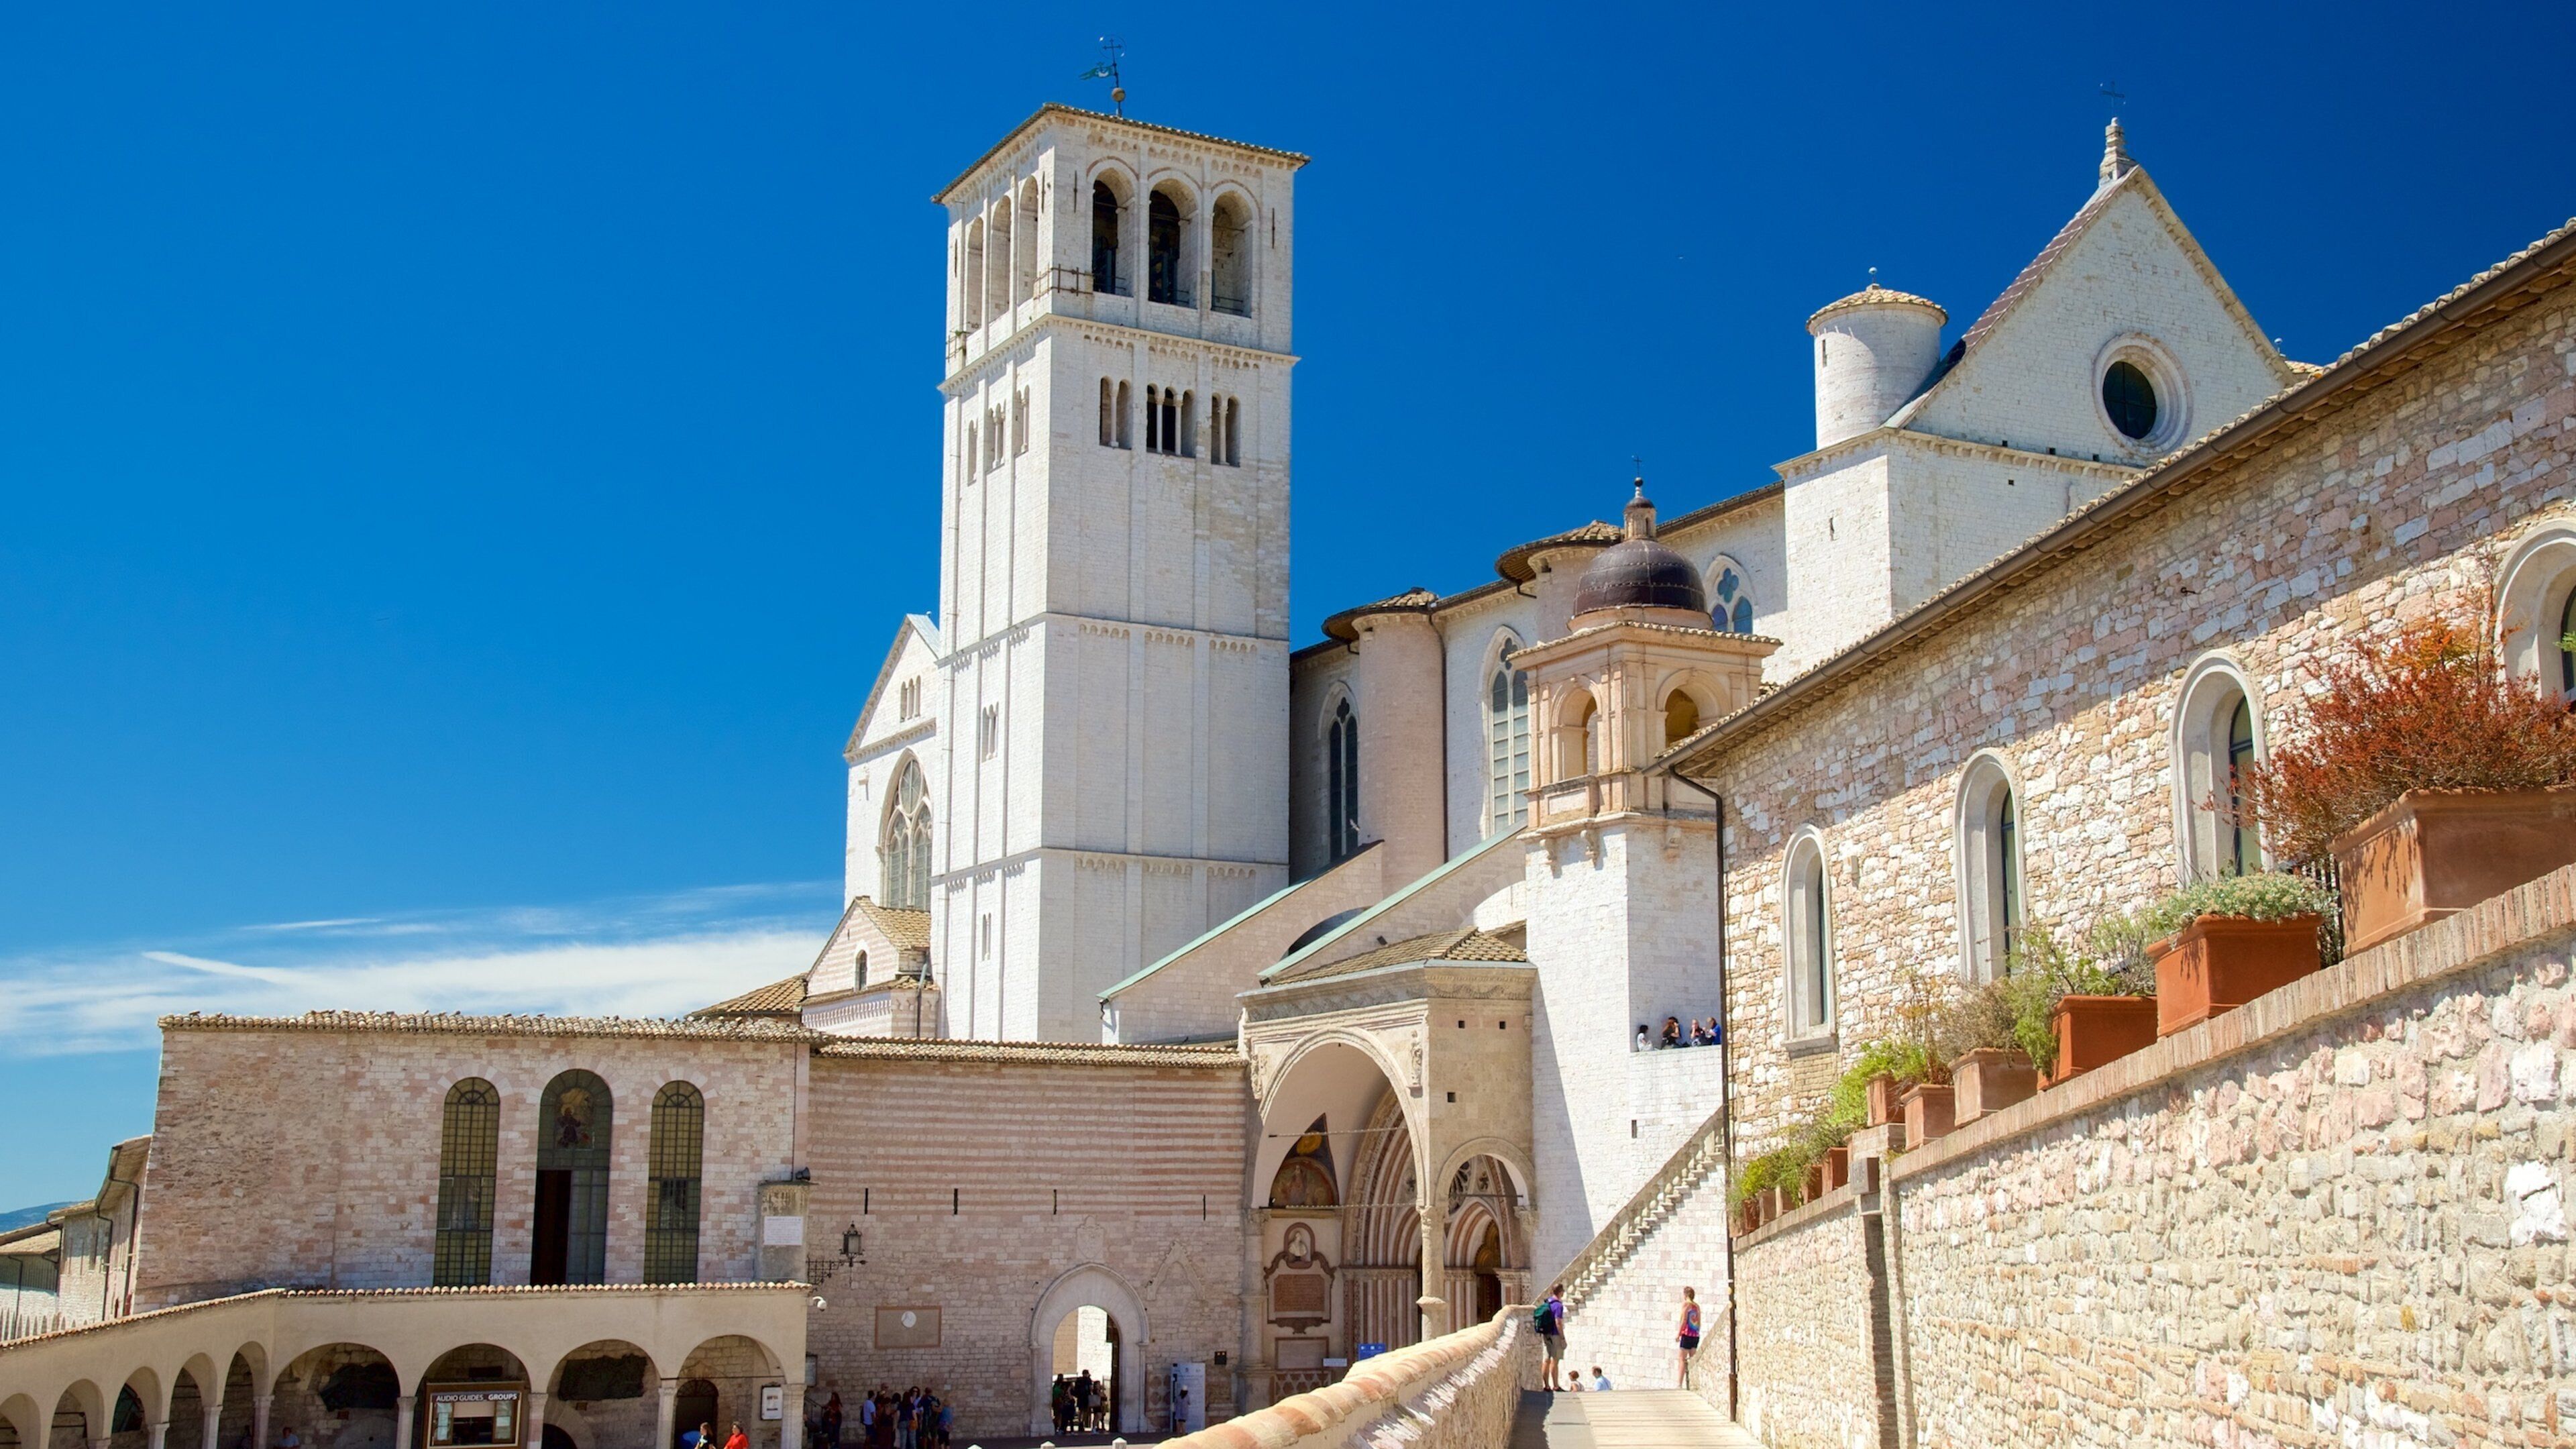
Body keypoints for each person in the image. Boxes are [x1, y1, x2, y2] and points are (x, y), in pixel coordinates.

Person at [1534, 1283, 1567, 1391]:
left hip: (1546, 1334)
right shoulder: (1558, 1305)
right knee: (1555, 1360)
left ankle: (1546, 1385)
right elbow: (1558, 1322)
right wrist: (1562, 1338)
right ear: (1561, 1292)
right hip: (1555, 1335)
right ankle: (1556, 1385)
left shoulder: (1547, 1302)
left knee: (1546, 1360)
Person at [1677, 1285, 1703, 1388]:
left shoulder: (1686, 1305)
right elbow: (1699, 1322)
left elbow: (1684, 1320)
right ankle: (1695, 1383)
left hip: (1687, 1335)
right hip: (1695, 1335)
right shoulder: (1697, 1306)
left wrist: (1679, 1334)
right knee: (1693, 1359)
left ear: (1685, 1295)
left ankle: (1679, 1384)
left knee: (1682, 1359)